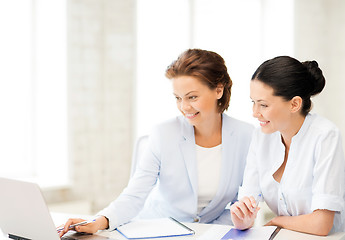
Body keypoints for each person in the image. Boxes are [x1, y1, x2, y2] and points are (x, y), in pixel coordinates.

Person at [59, 49, 254, 237]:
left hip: (211, 233)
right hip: (157, 231)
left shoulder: (246, 136)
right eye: (178, 98)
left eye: (192, 97)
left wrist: (232, 225)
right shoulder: (164, 134)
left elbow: (243, 202)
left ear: (218, 90)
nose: (184, 107)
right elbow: (135, 195)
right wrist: (99, 221)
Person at [230, 56, 345, 236]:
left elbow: (321, 224)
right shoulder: (261, 136)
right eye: (253, 102)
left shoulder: (325, 136)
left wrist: (277, 221)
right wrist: (243, 219)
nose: (254, 113)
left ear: (294, 104)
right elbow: (247, 202)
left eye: (263, 105)